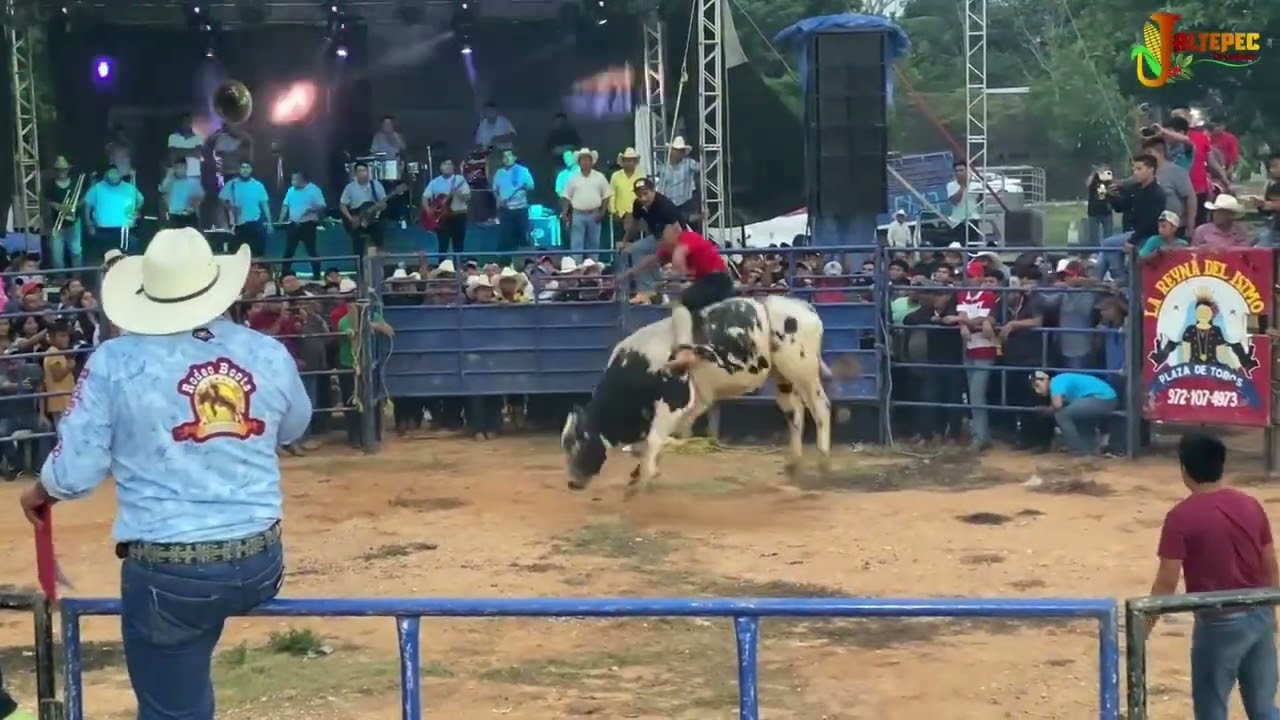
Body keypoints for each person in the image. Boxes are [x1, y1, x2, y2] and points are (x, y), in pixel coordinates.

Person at [20, 227, 311, 720]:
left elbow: (76, 473)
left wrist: (40, 490)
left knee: (172, 700)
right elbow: (296, 425)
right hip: (261, 559)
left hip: (169, 569)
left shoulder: (116, 361)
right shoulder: (265, 352)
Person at [1148, 432, 1279, 720]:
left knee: (1211, 710)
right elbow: (1270, 563)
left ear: (1184, 470)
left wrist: (1144, 624)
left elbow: (1166, 581)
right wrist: (1270, 610)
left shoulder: (1181, 516)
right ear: (1222, 464)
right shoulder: (1250, 504)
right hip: (1259, 613)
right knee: (1264, 709)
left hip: (1219, 623)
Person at [618, 225, 731, 372]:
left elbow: (680, 265)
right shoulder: (669, 245)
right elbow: (653, 259)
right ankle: (699, 343)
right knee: (691, 307)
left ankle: (685, 350)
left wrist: (667, 280)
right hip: (709, 281)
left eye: (663, 237)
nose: (661, 242)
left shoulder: (686, 240)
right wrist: (630, 273)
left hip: (716, 281)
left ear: (674, 232)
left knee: (680, 304)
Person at [619, 177, 687, 304]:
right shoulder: (638, 204)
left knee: (650, 256)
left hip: (676, 240)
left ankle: (654, 288)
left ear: (653, 191)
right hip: (657, 238)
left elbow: (678, 229)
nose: (643, 198)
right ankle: (648, 290)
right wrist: (624, 241)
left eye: (645, 194)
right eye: (639, 195)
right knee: (636, 249)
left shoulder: (664, 205)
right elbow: (634, 224)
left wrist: (671, 248)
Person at [1030, 370, 1117, 456]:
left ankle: (1078, 451)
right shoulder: (1060, 381)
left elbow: (1058, 405)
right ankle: (1089, 451)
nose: (1037, 390)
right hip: (1105, 398)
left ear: (1044, 380)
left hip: (1101, 398)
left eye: (1037, 385)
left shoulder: (1056, 382)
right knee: (1079, 418)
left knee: (1062, 415)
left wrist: (1047, 410)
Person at [82, 165, 143, 264]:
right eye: (111, 173)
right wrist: (89, 224)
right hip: (103, 229)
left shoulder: (130, 188)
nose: (114, 176)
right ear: (106, 174)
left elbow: (140, 200)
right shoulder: (97, 188)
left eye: (116, 173)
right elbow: (87, 206)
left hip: (125, 228)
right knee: (106, 259)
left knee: (124, 258)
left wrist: (136, 210)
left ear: (119, 175)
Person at [560, 148, 612, 257]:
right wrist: (564, 213)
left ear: (591, 161)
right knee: (576, 245)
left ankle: (592, 270)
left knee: (593, 244)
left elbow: (607, 195)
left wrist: (602, 212)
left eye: (587, 160)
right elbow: (566, 196)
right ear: (579, 162)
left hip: (594, 214)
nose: (585, 162)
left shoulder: (599, 177)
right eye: (582, 160)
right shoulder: (573, 178)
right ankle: (577, 270)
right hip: (578, 214)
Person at [278, 170, 326, 278]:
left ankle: (316, 274)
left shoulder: (314, 190)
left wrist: (311, 210)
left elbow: (322, 206)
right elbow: (285, 205)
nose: (292, 182)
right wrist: (280, 220)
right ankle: (284, 275)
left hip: (308, 225)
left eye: (294, 179)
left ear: (302, 179)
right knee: (288, 251)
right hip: (293, 224)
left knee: (311, 250)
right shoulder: (290, 190)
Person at [219, 161, 272, 258]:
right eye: (243, 167)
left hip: (255, 224)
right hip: (238, 225)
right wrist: (231, 208)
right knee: (237, 255)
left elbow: (265, 205)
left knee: (258, 254)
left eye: (247, 167)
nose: (245, 170)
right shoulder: (231, 184)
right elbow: (222, 201)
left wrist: (269, 223)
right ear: (239, 169)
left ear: (251, 170)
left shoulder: (258, 185)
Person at [339, 161, 387, 258]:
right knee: (358, 244)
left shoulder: (376, 185)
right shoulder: (350, 187)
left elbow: (384, 205)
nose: (363, 173)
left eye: (364, 170)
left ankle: (377, 263)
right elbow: (342, 205)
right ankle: (360, 266)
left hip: (373, 219)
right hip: (356, 219)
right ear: (355, 174)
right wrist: (350, 218)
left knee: (378, 236)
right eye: (360, 171)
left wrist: (381, 206)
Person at [43, 155, 83, 269]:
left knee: (76, 251)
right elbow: (45, 201)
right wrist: (59, 207)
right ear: (55, 170)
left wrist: (73, 206)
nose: (62, 171)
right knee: (57, 254)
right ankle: (60, 281)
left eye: (64, 169)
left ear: (68, 170)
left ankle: (77, 280)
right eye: (59, 169)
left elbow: (83, 199)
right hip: (56, 223)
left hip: (74, 222)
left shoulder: (75, 183)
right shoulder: (49, 185)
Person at [491, 150, 534, 255]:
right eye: (505, 156)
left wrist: (522, 186)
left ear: (514, 158)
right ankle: (505, 264)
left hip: (520, 210)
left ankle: (524, 262)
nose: (507, 158)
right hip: (505, 210)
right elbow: (494, 190)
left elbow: (531, 186)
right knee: (505, 238)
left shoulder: (523, 171)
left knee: (523, 238)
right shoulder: (499, 173)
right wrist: (498, 200)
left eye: (509, 156)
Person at [159, 156, 204, 229]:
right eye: (177, 167)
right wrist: (169, 175)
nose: (180, 170)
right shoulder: (171, 182)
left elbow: (200, 198)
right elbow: (162, 190)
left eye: (182, 167)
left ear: (186, 168)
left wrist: (194, 204)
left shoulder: (193, 182)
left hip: (190, 216)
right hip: (174, 216)